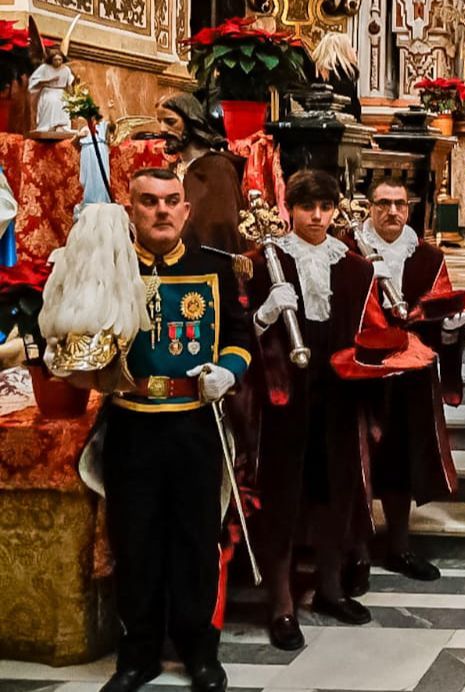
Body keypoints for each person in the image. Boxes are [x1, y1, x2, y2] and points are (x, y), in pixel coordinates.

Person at [96, 169, 252, 692]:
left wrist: (227, 370)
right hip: (131, 425)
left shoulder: (214, 268)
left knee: (194, 540)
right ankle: (137, 653)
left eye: (171, 202)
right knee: (135, 540)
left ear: (186, 210)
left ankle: (199, 651)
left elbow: (238, 334)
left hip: (194, 427)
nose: (161, 211)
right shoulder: (112, 269)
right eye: (149, 201)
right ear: (131, 209)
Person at [246, 169, 391, 650]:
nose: (317, 217)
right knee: (283, 496)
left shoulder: (354, 266)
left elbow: (372, 331)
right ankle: (282, 602)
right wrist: (265, 314)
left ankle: (329, 587)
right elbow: (235, 329)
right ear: (290, 209)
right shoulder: (265, 261)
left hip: (339, 392)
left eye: (325, 207)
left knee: (337, 492)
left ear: (336, 210)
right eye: (307, 207)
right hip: (284, 395)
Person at [350, 178, 465, 584]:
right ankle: (356, 551)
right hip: (360, 372)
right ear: (369, 206)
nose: (392, 211)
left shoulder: (427, 256)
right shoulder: (350, 250)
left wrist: (453, 330)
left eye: (400, 204)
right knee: (357, 460)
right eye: (383, 203)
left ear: (410, 207)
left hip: (411, 373)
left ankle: (400, 546)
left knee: (402, 460)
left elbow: (438, 313)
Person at [156, 93, 248, 253]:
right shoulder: (174, 169)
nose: (163, 129)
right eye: (160, 122)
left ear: (191, 121)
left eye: (170, 122)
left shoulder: (217, 168)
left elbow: (221, 227)